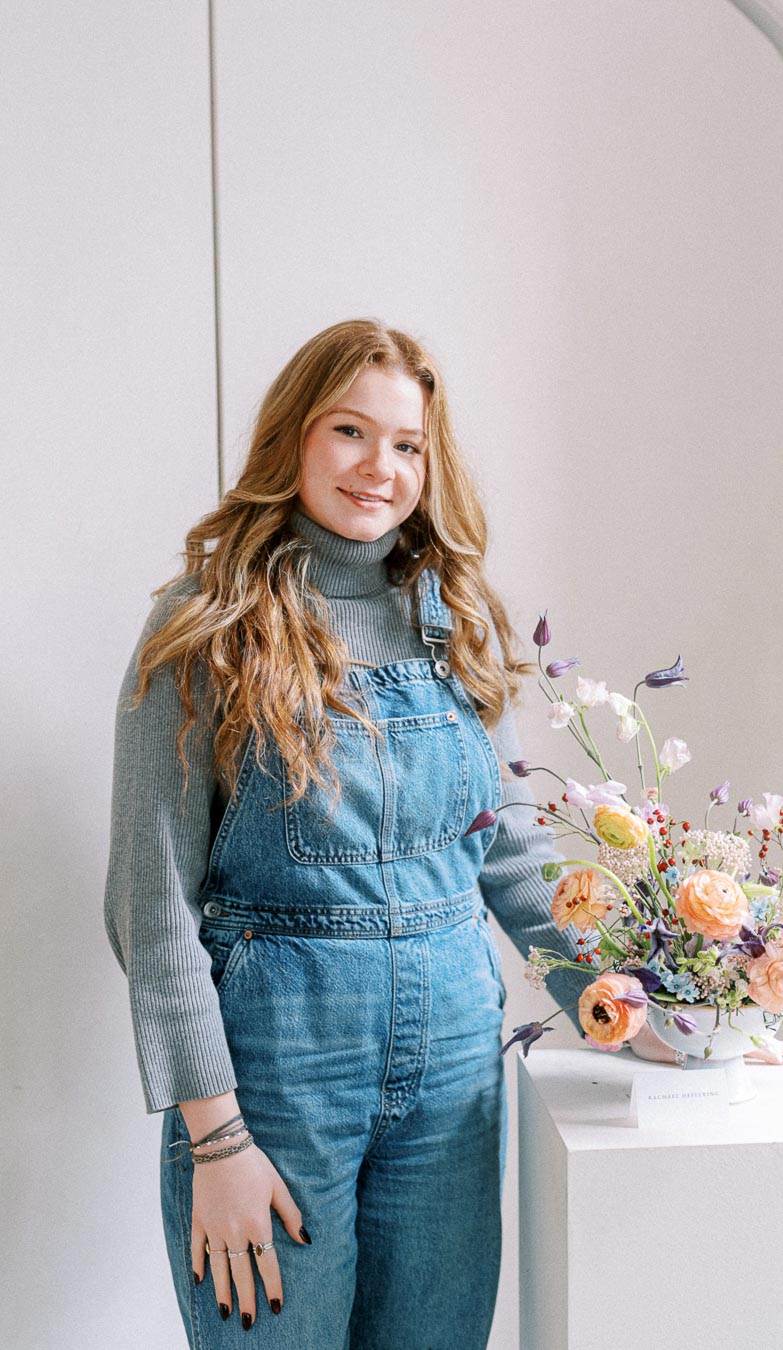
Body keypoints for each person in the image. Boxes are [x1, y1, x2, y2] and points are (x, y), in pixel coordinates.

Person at [103, 318, 595, 1348]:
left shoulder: (454, 616)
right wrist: (218, 1141)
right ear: (294, 437)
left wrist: (630, 992)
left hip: (457, 1070)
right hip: (276, 1087)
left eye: (407, 445)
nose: (381, 468)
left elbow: (501, 848)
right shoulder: (205, 622)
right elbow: (152, 909)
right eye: (349, 432)